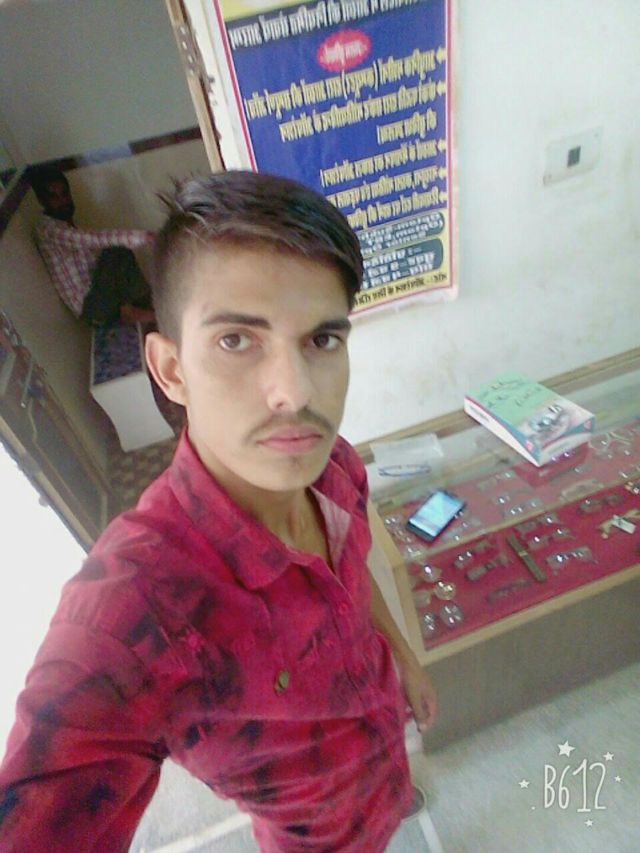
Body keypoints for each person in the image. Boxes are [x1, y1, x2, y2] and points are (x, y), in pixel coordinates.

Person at [0, 170, 437, 851]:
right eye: (237, 339)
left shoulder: (333, 466)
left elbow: (351, 575)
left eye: (322, 340)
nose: (294, 393)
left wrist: (401, 654)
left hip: (385, 765)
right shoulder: (137, 610)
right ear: (170, 369)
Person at [29, 165, 156, 326]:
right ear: (42, 201)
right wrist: (145, 237)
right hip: (91, 308)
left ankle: (147, 309)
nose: (63, 201)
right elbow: (93, 239)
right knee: (115, 253)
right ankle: (136, 313)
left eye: (65, 194)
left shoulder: (63, 224)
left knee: (119, 257)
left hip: (97, 297)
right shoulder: (49, 229)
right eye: (54, 197)